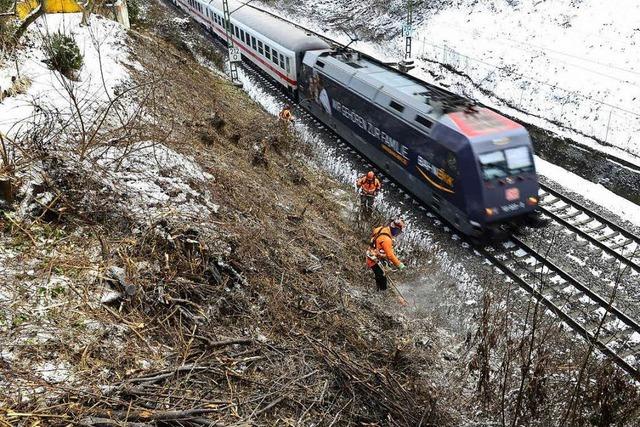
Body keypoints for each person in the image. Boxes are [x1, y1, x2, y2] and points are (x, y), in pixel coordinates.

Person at [366, 219, 406, 291]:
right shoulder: (387, 240)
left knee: (379, 275)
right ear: (396, 230)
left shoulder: (380, 229)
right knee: (382, 277)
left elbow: (375, 240)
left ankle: (378, 288)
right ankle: (381, 292)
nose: (398, 234)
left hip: (370, 253)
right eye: (399, 232)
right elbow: (390, 255)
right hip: (374, 260)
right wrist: (399, 264)